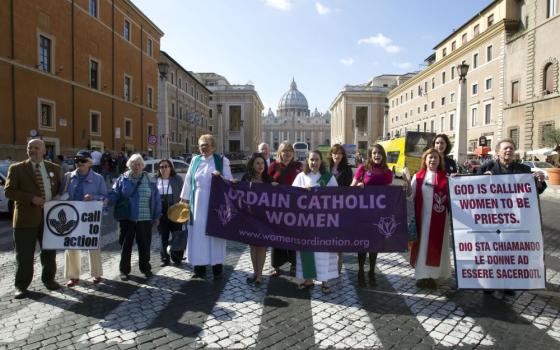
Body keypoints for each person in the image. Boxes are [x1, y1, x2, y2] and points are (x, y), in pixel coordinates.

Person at [477, 138, 546, 296]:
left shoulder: (523, 169)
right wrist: (482, 179)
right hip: (492, 219)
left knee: (510, 253)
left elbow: (535, 190)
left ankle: (508, 284)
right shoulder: (487, 167)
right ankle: (489, 284)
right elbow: (471, 186)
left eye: (511, 149)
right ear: (497, 152)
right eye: (505, 148)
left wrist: (540, 181)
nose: (508, 151)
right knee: (492, 253)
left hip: (515, 219)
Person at [5, 139, 62, 299]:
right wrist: (31, 198)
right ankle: (21, 286)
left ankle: (49, 279)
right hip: (25, 219)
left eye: (36, 148)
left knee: (49, 252)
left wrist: (59, 196)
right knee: (24, 255)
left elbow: (60, 189)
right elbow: (9, 191)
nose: (33, 150)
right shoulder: (16, 168)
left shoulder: (54, 168)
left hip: (50, 219)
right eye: (30, 147)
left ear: (44, 151)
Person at [180, 134, 233, 279]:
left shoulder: (222, 161)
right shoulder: (194, 160)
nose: (203, 147)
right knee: (197, 235)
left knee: (215, 234)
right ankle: (199, 269)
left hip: (215, 203)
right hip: (196, 203)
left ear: (214, 147)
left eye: (207, 145)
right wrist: (183, 200)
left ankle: (217, 267)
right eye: (201, 145)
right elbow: (188, 181)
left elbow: (229, 181)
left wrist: (220, 177)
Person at [404, 148, 451, 289]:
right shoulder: (418, 177)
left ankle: (433, 276)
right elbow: (410, 197)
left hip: (440, 219)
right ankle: (422, 276)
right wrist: (406, 184)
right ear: (425, 160)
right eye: (430, 157)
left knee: (437, 247)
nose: (433, 160)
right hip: (423, 218)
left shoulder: (446, 177)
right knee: (423, 246)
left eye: (436, 158)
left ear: (439, 160)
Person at [293, 150, 339, 294]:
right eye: (311, 160)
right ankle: (308, 279)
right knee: (307, 251)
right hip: (306, 222)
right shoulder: (301, 176)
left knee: (323, 252)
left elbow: (337, 198)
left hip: (323, 222)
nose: (314, 163)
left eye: (317, 160)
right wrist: (302, 192)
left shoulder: (329, 178)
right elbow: (291, 196)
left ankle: (325, 281)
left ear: (321, 161)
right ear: (307, 161)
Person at [110, 153, 161, 280]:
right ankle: (124, 270)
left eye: (139, 164)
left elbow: (156, 198)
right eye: (134, 164)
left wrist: (157, 215)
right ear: (130, 165)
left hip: (145, 218)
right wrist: (104, 201)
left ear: (143, 166)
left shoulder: (149, 179)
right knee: (125, 245)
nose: (137, 166)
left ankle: (146, 268)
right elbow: (114, 194)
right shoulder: (123, 178)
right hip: (127, 218)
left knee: (144, 245)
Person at [350, 144, 394, 287]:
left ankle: (372, 271)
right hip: (363, 213)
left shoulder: (387, 171)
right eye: (374, 153)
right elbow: (351, 188)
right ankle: (361, 271)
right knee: (363, 243)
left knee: (374, 244)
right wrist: (358, 186)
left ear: (383, 155)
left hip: (379, 214)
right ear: (370, 155)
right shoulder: (363, 168)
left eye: (379, 153)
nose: (377, 155)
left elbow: (389, 192)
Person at [62, 151, 107, 287]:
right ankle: (73, 276)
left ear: (90, 163)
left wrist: (94, 197)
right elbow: (61, 194)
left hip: (90, 217)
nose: (79, 163)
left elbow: (106, 198)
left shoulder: (98, 178)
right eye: (76, 160)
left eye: (82, 161)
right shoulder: (68, 177)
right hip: (71, 216)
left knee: (93, 244)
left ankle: (97, 273)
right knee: (72, 246)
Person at [268, 142, 302, 277]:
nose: (287, 153)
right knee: (277, 237)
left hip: (295, 209)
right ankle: (276, 265)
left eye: (289, 151)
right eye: (284, 151)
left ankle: (294, 264)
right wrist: (270, 184)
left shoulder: (299, 167)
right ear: (279, 153)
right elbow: (265, 183)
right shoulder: (273, 166)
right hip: (278, 209)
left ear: (293, 153)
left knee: (294, 237)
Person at [241, 153, 272, 285]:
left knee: (262, 246)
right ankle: (255, 272)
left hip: (264, 217)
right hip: (250, 216)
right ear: (252, 165)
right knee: (253, 246)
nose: (260, 166)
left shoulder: (268, 180)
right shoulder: (246, 178)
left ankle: (259, 275)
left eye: (262, 163)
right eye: (258, 163)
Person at [327, 144, 353, 273]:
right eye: (335, 153)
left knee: (339, 239)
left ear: (343, 156)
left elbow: (349, 188)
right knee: (328, 237)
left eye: (340, 153)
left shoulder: (347, 170)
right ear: (331, 155)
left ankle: (338, 266)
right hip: (327, 208)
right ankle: (328, 265)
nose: (337, 155)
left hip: (341, 207)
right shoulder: (326, 169)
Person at [155, 159, 184, 266]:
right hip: (161, 212)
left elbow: (183, 194)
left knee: (177, 235)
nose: (164, 169)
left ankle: (177, 258)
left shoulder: (177, 179)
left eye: (166, 166)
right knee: (163, 236)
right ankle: (165, 259)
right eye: (161, 167)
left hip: (175, 210)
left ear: (170, 168)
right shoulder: (155, 180)